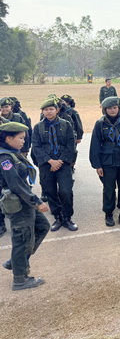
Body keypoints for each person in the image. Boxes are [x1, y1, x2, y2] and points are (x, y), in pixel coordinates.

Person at [0, 122, 51, 291]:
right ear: (8, 138)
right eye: (20, 138)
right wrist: (37, 202)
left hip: (24, 201)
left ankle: (17, 262)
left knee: (42, 226)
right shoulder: (5, 159)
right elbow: (15, 184)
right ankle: (20, 279)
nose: (23, 141)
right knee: (22, 239)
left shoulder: (12, 153)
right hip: (19, 204)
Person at [89, 97, 120, 227]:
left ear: (119, 108)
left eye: (115, 107)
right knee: (108, 188)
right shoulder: (100, 124)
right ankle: (108, 213)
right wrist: (97, 165)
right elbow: (95, 145)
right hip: (107, 161)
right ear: (105, 110)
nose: (112, 110)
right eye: (109, 108)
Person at [31, 98, 77, 232]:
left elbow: (71, 144)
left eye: (51, 109)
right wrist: (50, 161)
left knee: (65, 191)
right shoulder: (38, 127)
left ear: (57, 110)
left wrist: (60, 161)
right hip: (46, 164)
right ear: (42, 112)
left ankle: (67, 217)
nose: (49, 112)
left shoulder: (66, 125)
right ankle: (57, 217)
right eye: (46, 110)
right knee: (50, 191)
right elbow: (36, 147)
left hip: (63, 163)